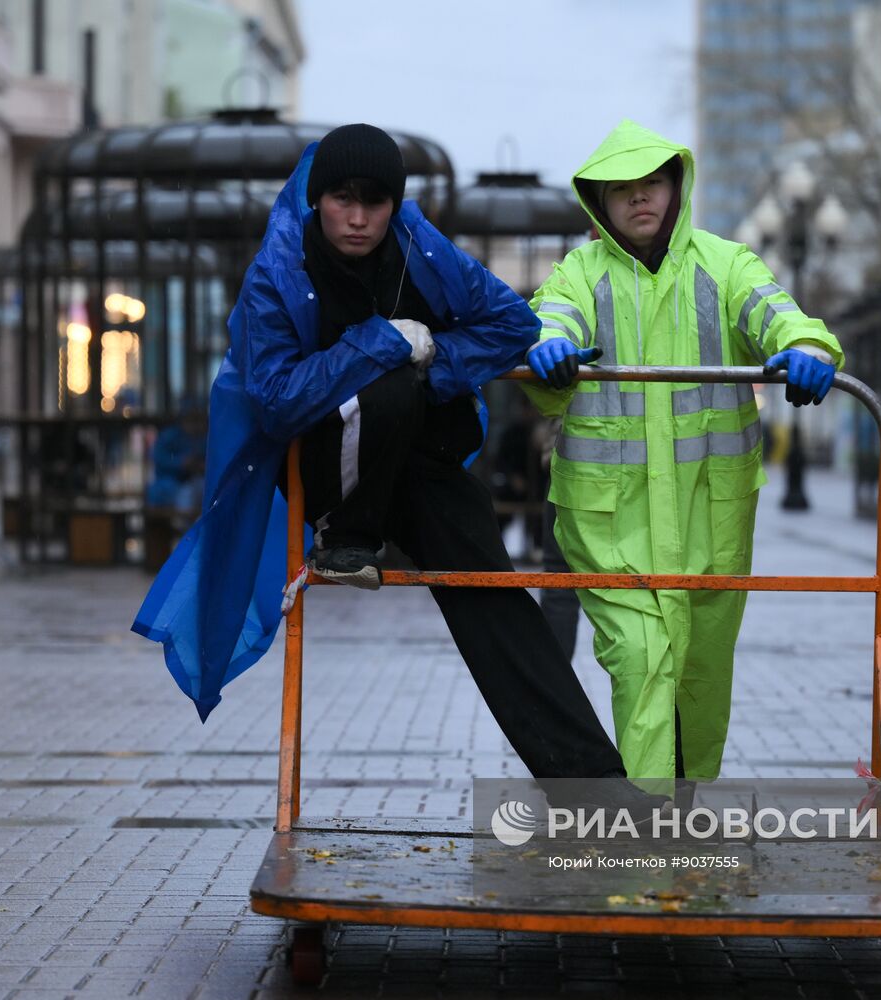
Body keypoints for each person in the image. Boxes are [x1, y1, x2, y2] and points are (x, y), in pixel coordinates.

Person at [134, 124, 663, 816]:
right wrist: (382, 343)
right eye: (342, 200)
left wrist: (431, 357)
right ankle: (348, 539)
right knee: (383, 383)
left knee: (494, 594)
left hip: (416, 463)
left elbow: (511, 325)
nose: (358, 219)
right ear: (317, 199)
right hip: (327, 478)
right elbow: (274, 400)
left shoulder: (417, 244)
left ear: (396, 204)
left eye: (375, 202)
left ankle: (591, 786)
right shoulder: (279, 268)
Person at [523, 120, 845, 802]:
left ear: (676, 188)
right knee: (640, 660)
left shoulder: (725, 264)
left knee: (700, 672)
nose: (640, 199)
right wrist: (546, 348)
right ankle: (648, 824)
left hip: (710, 516)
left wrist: (809, 351)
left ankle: (684, 800)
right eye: (623, 190)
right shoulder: (578, 274)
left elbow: (781, 316)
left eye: (653, 184)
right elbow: (554, 317)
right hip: (609, 522)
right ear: (598, 203)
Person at [145, 400, 206, 512]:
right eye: (191, 420)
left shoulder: (203, 438)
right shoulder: (170, 436)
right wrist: (181, 463)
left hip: (196, 484)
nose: (195, 425)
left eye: (198, 420)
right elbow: (159, 458)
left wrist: (202, 466)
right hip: (170, 484)